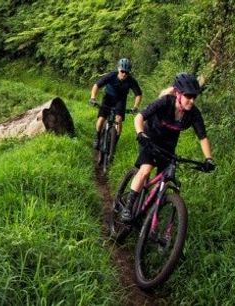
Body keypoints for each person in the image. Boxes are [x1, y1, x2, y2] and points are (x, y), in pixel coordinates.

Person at [119, 72, 215, 222]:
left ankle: (148, 211)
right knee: (145, 170)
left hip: (168, 146)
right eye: (188, 96)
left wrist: (208, 159)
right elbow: (140, 117)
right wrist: (140, 133)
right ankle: (128, 207)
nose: (191, 100)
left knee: (162, 182)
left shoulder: (193, 114)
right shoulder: (165, 102)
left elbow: (202, 137)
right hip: (149, 138)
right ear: (178, 93)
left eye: (194, 97)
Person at [89, 58, 143, 150]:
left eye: (127, 72)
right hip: (108, 98)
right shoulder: (111, 76)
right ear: (118, 69)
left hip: (120, 100)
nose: (124, 74)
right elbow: (96, 85)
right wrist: (93, 97)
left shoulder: (131, 80)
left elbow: (138, 94)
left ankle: (114, 145)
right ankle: (97, 138)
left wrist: (136, 106)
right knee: (101, 119)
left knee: (119, 119)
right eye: (122, 71)